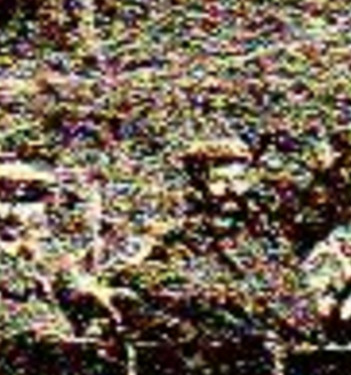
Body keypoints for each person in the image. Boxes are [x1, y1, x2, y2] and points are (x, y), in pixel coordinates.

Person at [111, 137, 321, 339]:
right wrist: (221, 295)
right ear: (199, 185)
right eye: (219, 181)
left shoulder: (267, 237)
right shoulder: (185, 241)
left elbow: (296, 299)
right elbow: (139, 277)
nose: (232, 190)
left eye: (239, 180)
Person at [0, 160, 117, 341]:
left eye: (27, 202)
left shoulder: (48, 249)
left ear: (43, 204)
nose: (14, 211)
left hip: (56, 339)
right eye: (4, 199)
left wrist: (92, 296)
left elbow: (68, 287)